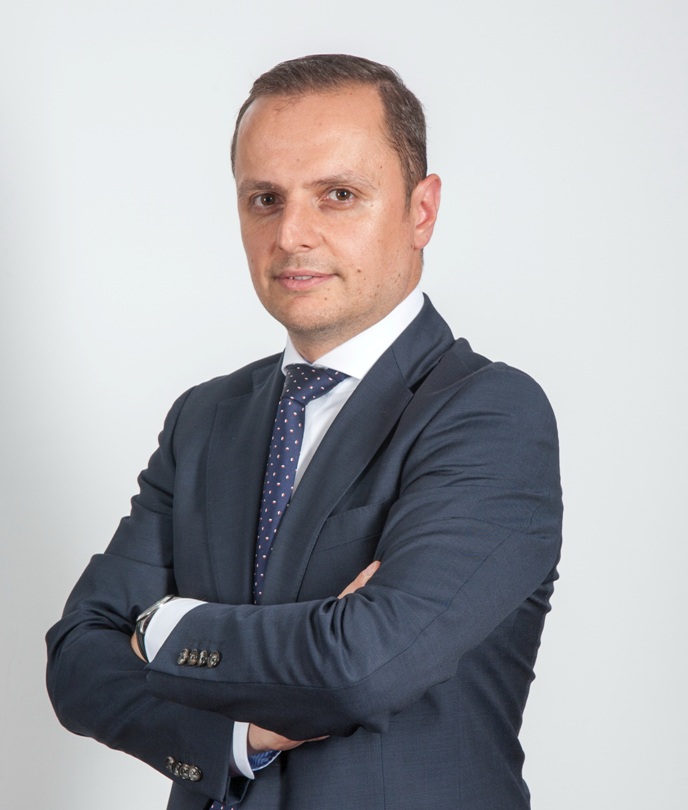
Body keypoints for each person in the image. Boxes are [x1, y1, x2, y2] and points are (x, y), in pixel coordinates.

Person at [46, 54, 563, 810]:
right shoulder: (204, 419)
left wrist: (161, 625)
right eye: (265, 199)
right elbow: (76, 661)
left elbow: (362, 667)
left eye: (338, 195)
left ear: (422, 211)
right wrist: (235, 736)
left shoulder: (490, 414)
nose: (291, 234)